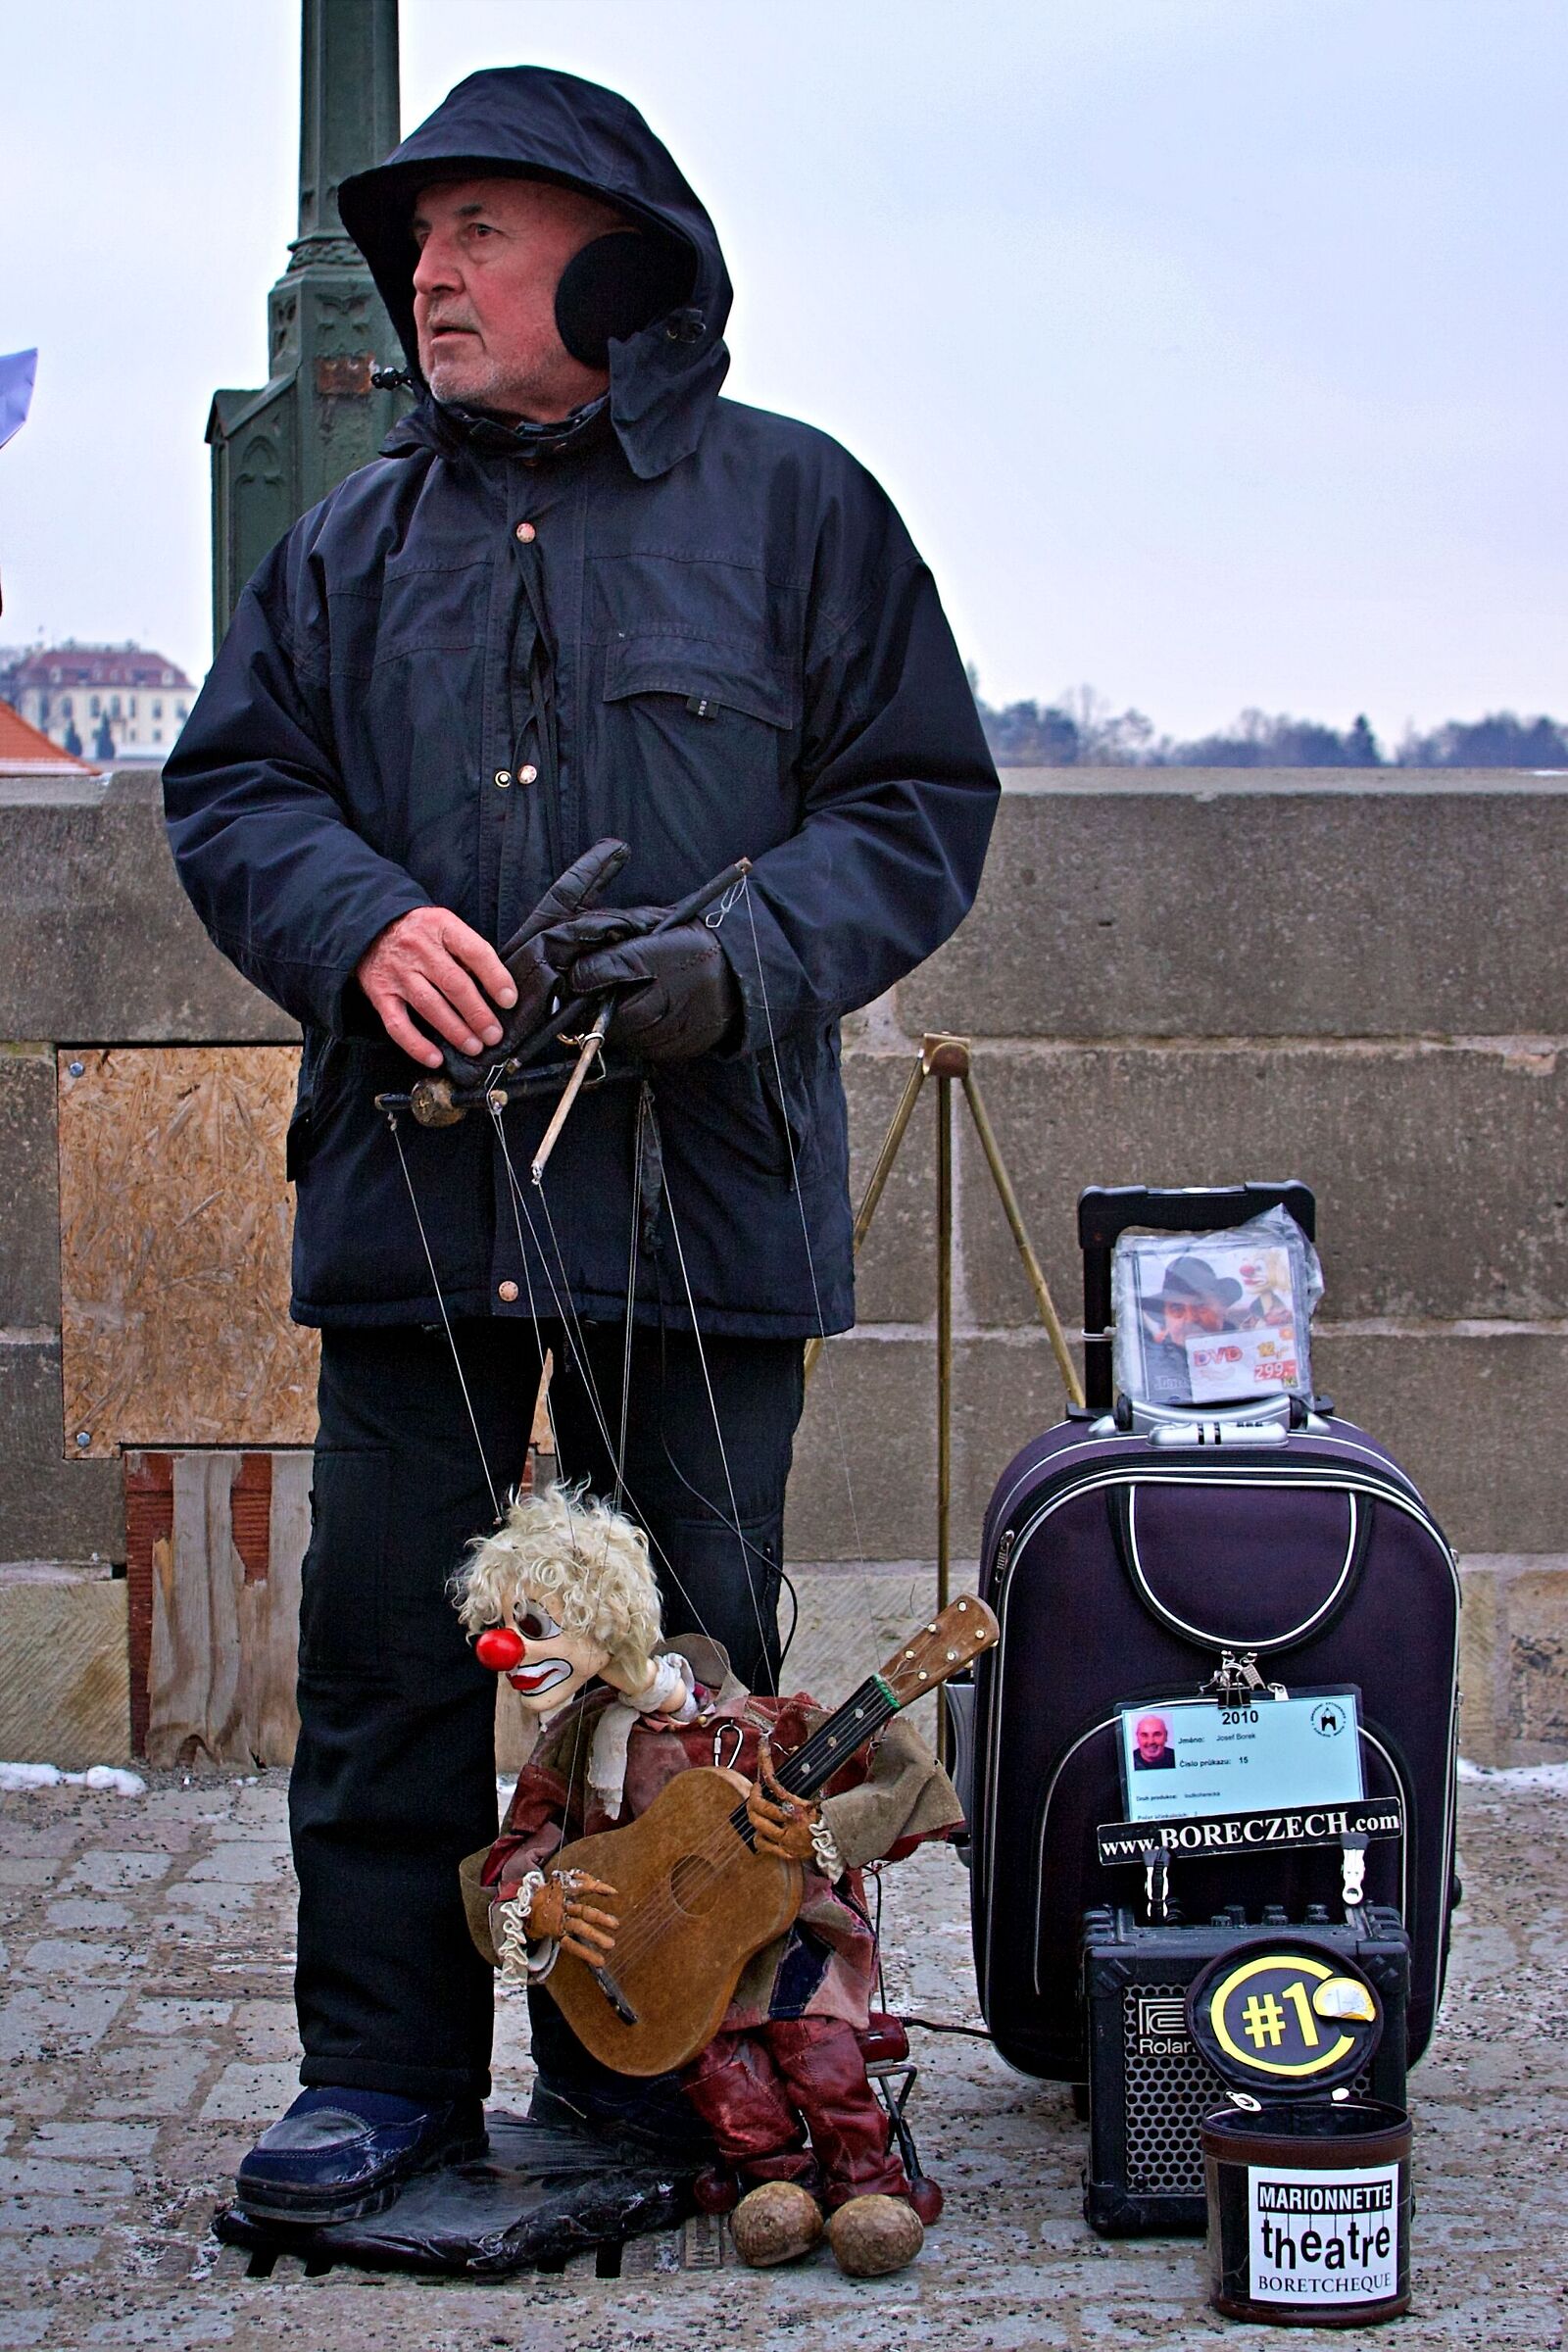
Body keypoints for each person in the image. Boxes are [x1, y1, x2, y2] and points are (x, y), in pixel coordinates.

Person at [163, 67, 998, 2226]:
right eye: (416, 245)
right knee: (376, 1656)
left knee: (691, 1677)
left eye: (482, 240)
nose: (425, 276)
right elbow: (236, 793)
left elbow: (913, 807)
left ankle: (659, 2076)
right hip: (421, 1194)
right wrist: (358, 925)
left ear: (616, 268)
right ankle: (381, 2082)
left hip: (695, 1187)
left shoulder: (801, 510)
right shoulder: (346, 540)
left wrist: (734, 969)